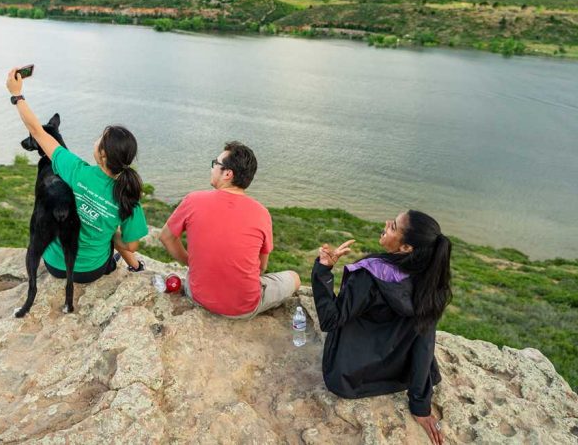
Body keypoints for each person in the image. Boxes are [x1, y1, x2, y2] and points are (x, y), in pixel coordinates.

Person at [313, 210, 452, 445]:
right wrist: (420, 404)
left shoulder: (369, 275)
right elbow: (425, 342)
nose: (387, 224)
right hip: (398, 369)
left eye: (394, 227)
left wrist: (323, 270)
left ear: (406, 247)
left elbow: (330, 320)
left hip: (352, 372)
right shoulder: (431, 280)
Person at [7, 67, 147, 282]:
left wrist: (17, 95)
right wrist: (107, 233)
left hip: (54, 265)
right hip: (90, 272)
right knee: (107, 236)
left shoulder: (76, 170)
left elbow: (37, 131)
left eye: (100, 138)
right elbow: (131, 245)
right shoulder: (129, 196)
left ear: (101, 154)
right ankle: (124, 265)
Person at [159, 141, 300, 318]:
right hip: (243, 309)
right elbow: (262, 267)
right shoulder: (262, 213)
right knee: (294, 277)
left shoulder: (193, 200)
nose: (212, 169)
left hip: (198, 296)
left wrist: (191, 262)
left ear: (227, 173)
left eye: (215, 164)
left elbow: (166, 237)